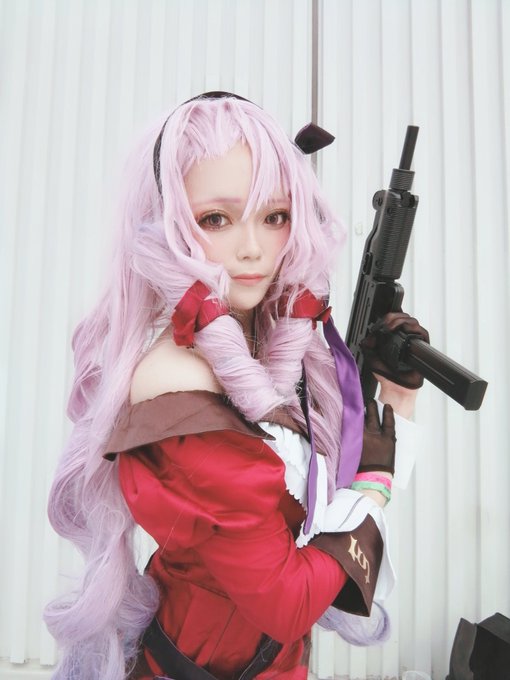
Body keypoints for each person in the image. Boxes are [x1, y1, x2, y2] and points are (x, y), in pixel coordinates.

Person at [44, 93, 428, 680]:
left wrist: (395, 399)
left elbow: (320, 508)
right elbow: (287, 603)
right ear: (170, 229)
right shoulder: (180, 391)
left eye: (274, 216)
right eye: (216, 219)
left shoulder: (261, 346)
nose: (252, 248)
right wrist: (375, 484)